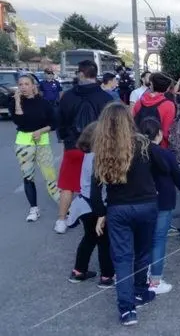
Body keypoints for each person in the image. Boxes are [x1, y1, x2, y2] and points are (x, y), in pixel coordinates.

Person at [90, 102, 168, 326]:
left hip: (118, 208)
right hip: (146, 206)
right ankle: (141, 290)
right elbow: (165, 165)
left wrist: (100, 212)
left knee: (123, 258)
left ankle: (127, 310)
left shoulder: (103, 148)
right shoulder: (144, 144)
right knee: (143, 252)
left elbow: (95, 189)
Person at [56, 60, 113, 233]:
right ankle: (101, 215)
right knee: (101, 183)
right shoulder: (105, 98)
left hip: (73, 147)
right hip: (99, 147)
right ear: (96, 75)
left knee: (68, 184)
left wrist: (66, 141)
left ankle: (62, 220)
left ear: (80, 74)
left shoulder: (68, 96)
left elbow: (60, 122)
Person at [139, 118, 180, 294]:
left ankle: (142, 273)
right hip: (164, 201)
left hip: (143, 200)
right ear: (160, 134)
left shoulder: (137, 153)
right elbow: (178, 178)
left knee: (144, 239)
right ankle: (155, 280)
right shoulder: (166, 155)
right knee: (159, 240)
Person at [66, 122, 114, 288]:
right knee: (104, 241)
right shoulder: (98, 158)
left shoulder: (88, 155)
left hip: (83, 204)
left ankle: (79, 271)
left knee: (89, 238)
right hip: (97, 204)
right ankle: (107, 276)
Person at [9, 75, 60, 221]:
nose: (23, 87)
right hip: (23, 144)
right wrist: (18, 101)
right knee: (28, 177)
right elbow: (19, 121)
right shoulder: (14, 102)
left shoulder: (43, 103)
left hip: (42, 143)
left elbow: (54, 122)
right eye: (20, 84)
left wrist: (41, 131)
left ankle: (64, 208)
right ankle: (34, 209)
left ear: (33, 86)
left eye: (26, 84)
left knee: (50, 177)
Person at [132, 72, 176, 148]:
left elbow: (133, 123)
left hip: (139, 145)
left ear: (151, 84)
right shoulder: (169, 105)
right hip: (159, 147)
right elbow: (166, 132)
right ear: (168, 87)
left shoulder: (139, 102)